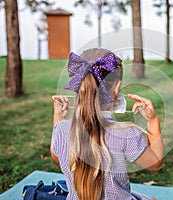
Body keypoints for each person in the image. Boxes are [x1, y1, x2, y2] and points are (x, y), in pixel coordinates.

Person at [51, 48, 164, 200]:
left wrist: (58, 117)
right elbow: (155, 163)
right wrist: (153, 120)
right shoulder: (125, 133)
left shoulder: (61, 129)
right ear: (116, 88)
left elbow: (56, 156)